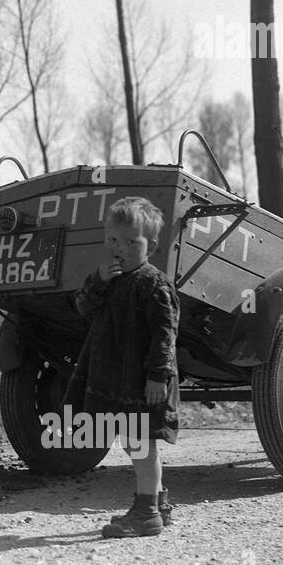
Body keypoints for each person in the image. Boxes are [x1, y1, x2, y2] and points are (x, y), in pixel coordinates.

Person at [64, 196, 180, 539]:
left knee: (140, 444)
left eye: (132, 242)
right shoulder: (110, 278)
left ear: (152, 246)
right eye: (114, 241)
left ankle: (146, 514)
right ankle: (158, 503)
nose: (121, 249)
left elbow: (165, 335)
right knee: (135, 444)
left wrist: (158, 376)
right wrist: (98, 280)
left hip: (144, 381)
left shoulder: (154, 284)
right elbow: (83, 308)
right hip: (118, 379)